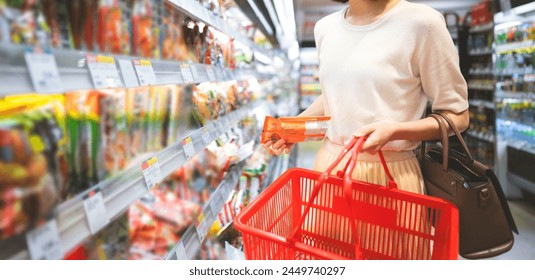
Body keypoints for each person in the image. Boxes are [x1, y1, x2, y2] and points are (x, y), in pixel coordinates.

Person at [265, 0, 469, 196]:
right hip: (330, 166)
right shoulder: (325, 28)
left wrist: (395, 131)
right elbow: (335, 94)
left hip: (390, 174)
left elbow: (458, 117)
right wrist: (292, 127)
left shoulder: (423, 23)